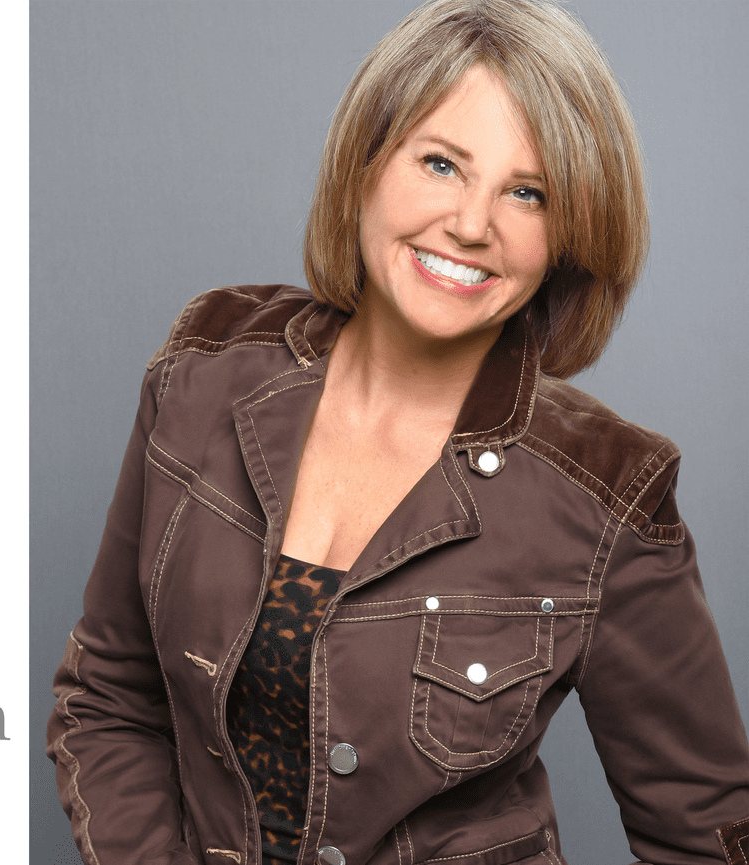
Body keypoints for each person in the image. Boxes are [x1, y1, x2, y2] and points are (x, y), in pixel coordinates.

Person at [45, 1, 749, 864]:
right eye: (443, 163)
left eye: (529, 192)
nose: (472, 224)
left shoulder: (610, 495)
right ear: (367, 163)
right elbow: (109, 698)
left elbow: (706, 834)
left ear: (567, 237)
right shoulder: (203, 367)